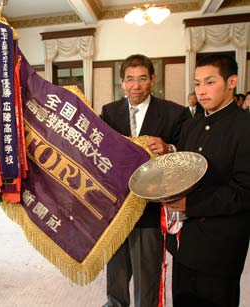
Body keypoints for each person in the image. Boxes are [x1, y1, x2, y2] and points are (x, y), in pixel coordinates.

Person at [100, 54, 187, 307]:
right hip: (116, 208)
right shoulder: (109, 111)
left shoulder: (174, 113)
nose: (135, 86)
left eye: (142, 79)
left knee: (146, 275)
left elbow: (190, 154)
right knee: (115, 272)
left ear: (153, 80)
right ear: (122, 82)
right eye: (129, 79)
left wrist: (169, 147)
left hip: (151, 208)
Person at [164, 53, 250, 307]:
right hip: (184, 241)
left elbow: (245, 191)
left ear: (232, 81)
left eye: (210, 82)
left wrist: (191, 204)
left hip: (221, 244)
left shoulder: (245, 127)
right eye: (197, 83)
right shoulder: (191, 126)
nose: (201, 91)